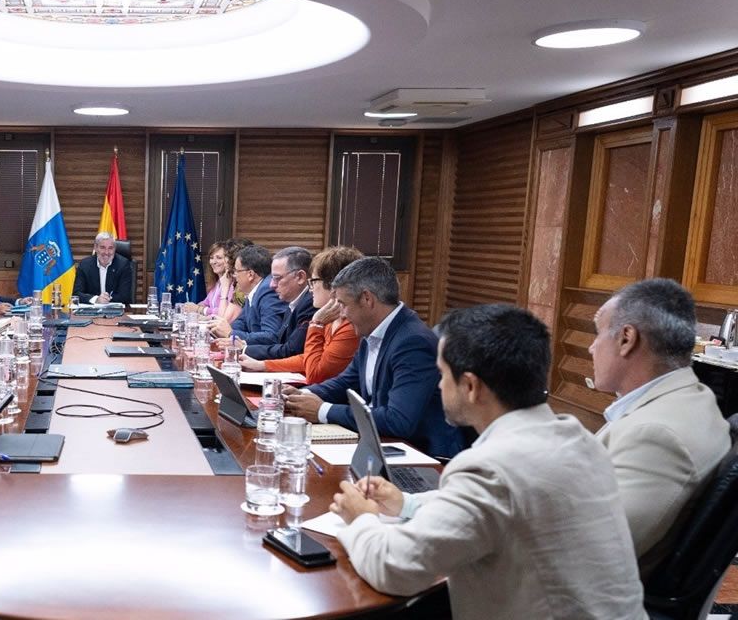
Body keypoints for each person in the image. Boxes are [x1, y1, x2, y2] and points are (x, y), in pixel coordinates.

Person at [330, 304, 645, 620]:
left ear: (470, 386)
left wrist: (361, 518)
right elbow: (507, 508)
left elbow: (395, 568)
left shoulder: (490, 468)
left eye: (442, 374)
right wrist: (407, 504)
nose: (438, 386)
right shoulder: (577, 438)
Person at [590, 277, 730, 576]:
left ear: (627, 339)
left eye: (598, 334)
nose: (591, 348)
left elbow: (593, 556)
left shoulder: (656, 436)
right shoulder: (694, 398)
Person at [283, 256, 465, 458]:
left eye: (343, 304)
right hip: (381, 444)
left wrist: (323, 411)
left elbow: (398, 420)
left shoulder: (412, 342)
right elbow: (347, 381)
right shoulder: (372, 330)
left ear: (367, 299)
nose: (341, 314)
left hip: (421, 456)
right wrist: (302, 396)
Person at [241, 246, 362, 384]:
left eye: (314, 281)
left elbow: (316, 374)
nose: (310, 288)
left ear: (335, 285)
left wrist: (316, 324)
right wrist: (263, 365)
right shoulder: (331, 317)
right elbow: (307, 358)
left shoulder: (349, 325)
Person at [209, 244, 288, 346]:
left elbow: (271, 336)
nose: (234, 275)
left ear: (250, 274)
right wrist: (216, 329)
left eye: (236, 271)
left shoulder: (268, 291)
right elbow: (241, 323)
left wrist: (231, 333)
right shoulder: (255, 291)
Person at [182, 240, 241, 322]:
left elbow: (224, 312)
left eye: (219, 258)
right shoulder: (217, 283)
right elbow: (206, 302)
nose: (213, 262)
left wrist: (200, 310)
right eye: (211, 258)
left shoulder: (233, 284)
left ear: (229, 261)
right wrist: (192, 307)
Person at [72, 231, 133, 304]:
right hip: (90, 312)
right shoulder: (85, 265)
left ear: (115, 249)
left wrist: (106, 299)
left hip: (116, 312)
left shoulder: (123, 265)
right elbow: (76, 294)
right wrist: (96, 299)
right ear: (96, 247)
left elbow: (125, 296)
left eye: (110, 248)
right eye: (102, 247)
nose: (106, 252)